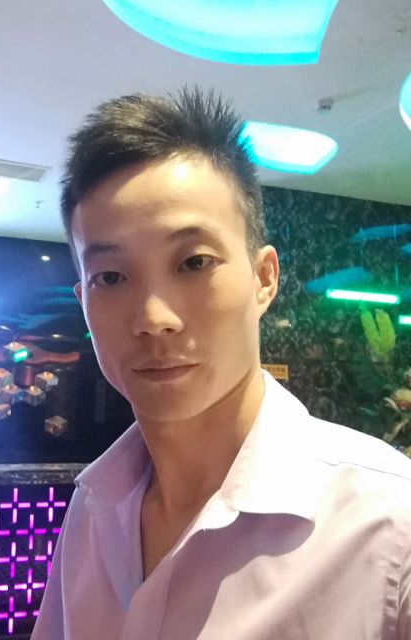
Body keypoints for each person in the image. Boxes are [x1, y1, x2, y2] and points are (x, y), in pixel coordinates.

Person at [31, 87, 411, 639]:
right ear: (84, 300)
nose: (153, 318)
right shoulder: (94, 510)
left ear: (264, 278)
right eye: (110, 277)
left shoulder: (389, 525)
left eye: (193, 262)